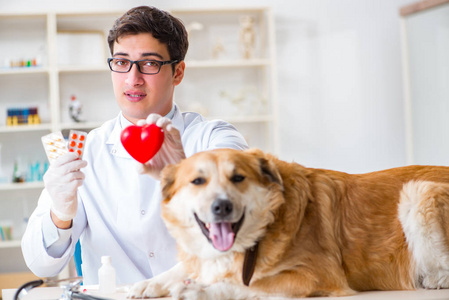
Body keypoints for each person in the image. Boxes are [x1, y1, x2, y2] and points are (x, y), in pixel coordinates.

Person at [21, 6, 248, 285]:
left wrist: (182, 176)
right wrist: (60, 213)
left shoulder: (213, 137)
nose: (132, 78)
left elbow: (249, 221)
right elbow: (41, 265)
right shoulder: (84, 150)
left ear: (178, 72)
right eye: (121, 62)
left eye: (150, 63)